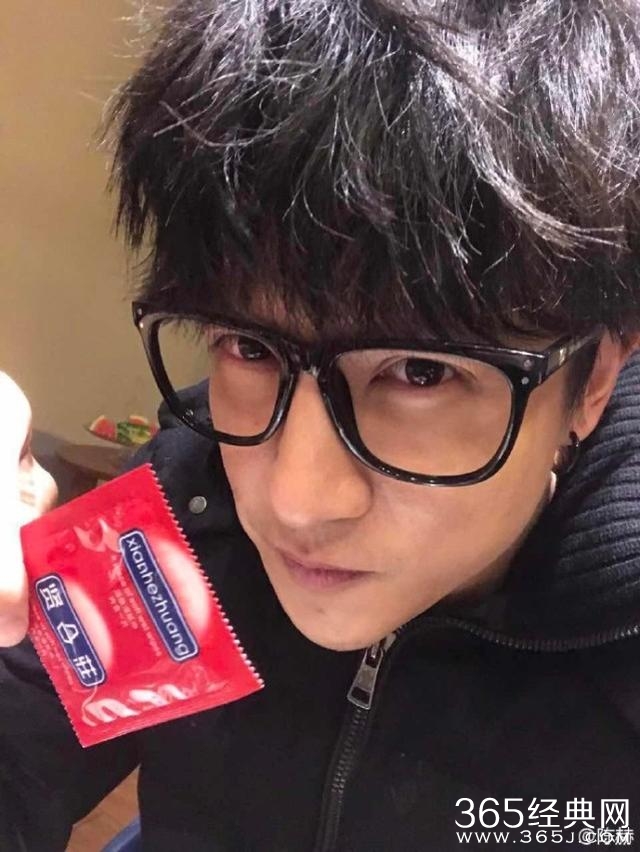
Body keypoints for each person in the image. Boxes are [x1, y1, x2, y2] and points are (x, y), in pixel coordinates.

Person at [2, 0, 640, 849]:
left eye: (421, 372)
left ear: (595, 377)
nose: (295, 500)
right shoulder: (183, 510)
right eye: (248, 345)